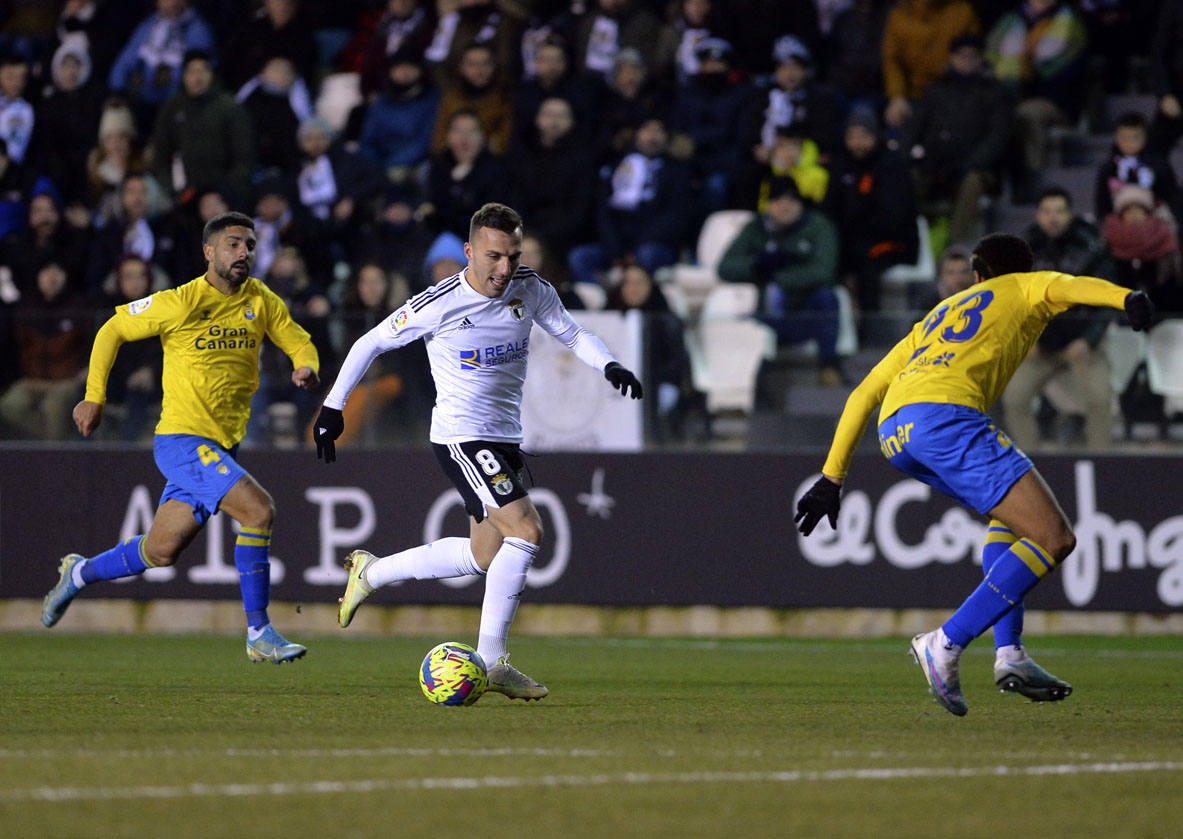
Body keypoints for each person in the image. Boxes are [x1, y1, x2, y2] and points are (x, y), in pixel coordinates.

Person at [795, 232, 1155, 716]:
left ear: (977, 275)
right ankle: (945, 642)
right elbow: (1071, 286)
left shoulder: (936, 318)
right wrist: (1125, 298)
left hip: (896, 434)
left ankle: (1011, 655)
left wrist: (831, 479)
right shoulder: (1024, 288)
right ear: (1019, 272)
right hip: (946, 417)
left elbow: (862, 394)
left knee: (1011, 522)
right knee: (1053, 539)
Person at [311, 202, 642, 700]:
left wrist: (610, 365)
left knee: (485, 555)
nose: (504, 269)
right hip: (462, 437)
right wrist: (333, 408)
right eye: (493, 257)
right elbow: (369, 343)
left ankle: (372, 572)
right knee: (527, 530)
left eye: (512, 255)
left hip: (504, 438)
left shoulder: (531, 288)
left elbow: (572, 332)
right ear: (469, 252)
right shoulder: (438, 303)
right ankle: (492, 661)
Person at [40, 211, 320, 664]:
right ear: (209, 251)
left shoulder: (261, 300)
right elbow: (112, 329)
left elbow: (298, 340)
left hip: (221, 445)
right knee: (258, 511)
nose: (243, 252)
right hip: (182, 440)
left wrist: (305, 366)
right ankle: (259, 631)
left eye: (249, 244)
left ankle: (79, 573)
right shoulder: (180, 300)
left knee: (161, 550)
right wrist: (94, 396)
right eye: (233, 244)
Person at [1001, 187, 1117, 452]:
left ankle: (1101, 461)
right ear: (1038, 215)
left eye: (1059, 211)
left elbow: (1107, 299)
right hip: (1039, 348)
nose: (1053, 217)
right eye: (1047, 211)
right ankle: (1032, 464)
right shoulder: (1022, 249)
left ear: (1070, 214)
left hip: (1082, 347)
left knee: (1100, 400)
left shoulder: (1092, 246)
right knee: (1014, 399)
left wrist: (1088, 340)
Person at [717, 175, 844, 385]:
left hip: (802, 312)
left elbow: (823, 271)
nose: (784, 206)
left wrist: (779, 277)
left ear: (800, 203)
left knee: (827, 297)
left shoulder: (818, 226)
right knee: (733, 315)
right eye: (777, 200)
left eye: (791, 200)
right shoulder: (757, 227)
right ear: (769, 204)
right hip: (763, 314)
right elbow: (725, 268)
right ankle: (748, 386)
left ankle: (828, 365)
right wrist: (756, 265)